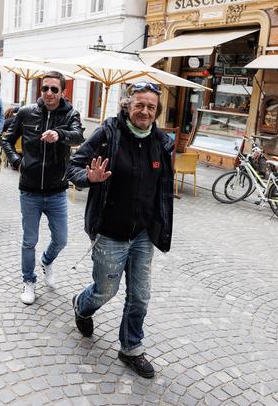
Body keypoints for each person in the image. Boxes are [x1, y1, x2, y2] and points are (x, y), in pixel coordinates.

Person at [66, 81, 175, 378]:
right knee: (106, 291)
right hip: (110, 232)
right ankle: (82, 304)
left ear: (157, 111)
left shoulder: (163, 143)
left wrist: (161, 226)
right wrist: (90, 177)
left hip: (142, 235)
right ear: (127, 106)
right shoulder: (108, 135)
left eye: (151, 107)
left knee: (140, 296)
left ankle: (131, 348)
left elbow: (163, 190)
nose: (145, 111)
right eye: (139, 104)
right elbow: (73, 167)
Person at [2, 71, 84, 305]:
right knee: (29, 241)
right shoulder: (26, 112)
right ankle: (29, 281)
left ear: (63, 92)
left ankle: (47, 261)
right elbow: (7, 139)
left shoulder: (70, 114)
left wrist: (59, 134)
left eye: (54, 89)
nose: (49, 93)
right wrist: (16, 162)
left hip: (57, 190)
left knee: (61, 239)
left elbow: (78, 137)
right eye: (45, 88)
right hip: (29, 190)